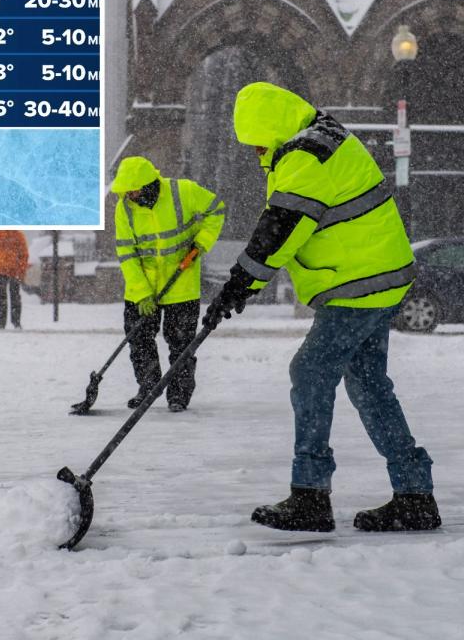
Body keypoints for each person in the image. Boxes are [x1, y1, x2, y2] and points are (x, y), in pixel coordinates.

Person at [205, 82, 439, 533]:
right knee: (368, 384)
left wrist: (239, 283)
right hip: (376, 276)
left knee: (310, 371)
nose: (255, 152)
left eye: (256, 142)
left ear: (271, 129)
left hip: (357, 282)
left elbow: (283, 224)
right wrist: (242, 285)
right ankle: (414, 495)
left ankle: (311, 494)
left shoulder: (306, 155)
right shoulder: (320, 138)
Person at [112, 156, 225, 412]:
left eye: (134, 190)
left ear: (149, 185)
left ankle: (179, 395)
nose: (130, 195)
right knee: (139, 339)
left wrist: (201, 243)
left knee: (181, 343)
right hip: (143, 287)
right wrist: (142, 293)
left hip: (181, 282)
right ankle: (148, 387)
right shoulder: (124, 209)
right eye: (127, 191)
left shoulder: (183, 191)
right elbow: (127, 254)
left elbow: (216, 210)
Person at [0, 230, 28, 329]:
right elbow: (24, 255)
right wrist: (21, 271)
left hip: (2, 270)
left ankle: (2, 322)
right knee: (14, 297)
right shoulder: (18, 235)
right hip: (14, 271)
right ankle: (16, 322)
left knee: (2, 297)